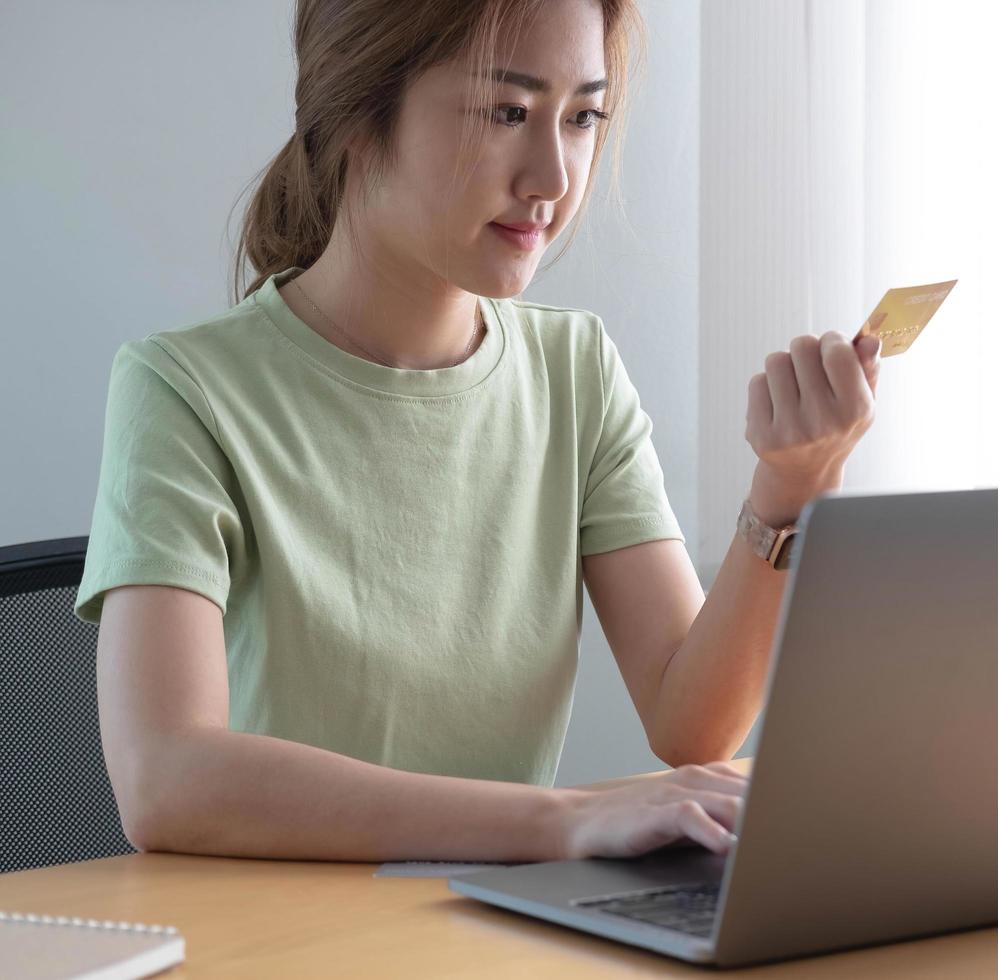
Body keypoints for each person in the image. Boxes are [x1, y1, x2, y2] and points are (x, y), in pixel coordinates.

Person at [73, 0, 881, 865]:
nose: (553, 178)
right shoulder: (186, 389)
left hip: (491, 933)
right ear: (356, 115)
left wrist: (788, 489)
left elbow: (693, 726)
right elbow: (166, 778)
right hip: (281, 935)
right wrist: (559, 820)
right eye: (508, 112)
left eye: (581, 117)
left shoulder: (575, 369)